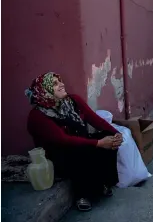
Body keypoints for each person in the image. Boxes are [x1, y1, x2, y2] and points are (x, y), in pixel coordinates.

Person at [26, 72, 122, 212]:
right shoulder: (38, 116)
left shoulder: (73, 100)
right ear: (44, 90)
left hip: (81, 143)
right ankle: (83, 195)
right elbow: (63, 140)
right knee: (81, 152)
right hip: (60, 154)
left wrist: (115, 133)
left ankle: (104, 183)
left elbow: (95, 119)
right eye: (55, 83)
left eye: (61, 81)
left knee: (107, 138)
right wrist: (99, 143)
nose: (62, 85)